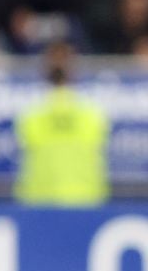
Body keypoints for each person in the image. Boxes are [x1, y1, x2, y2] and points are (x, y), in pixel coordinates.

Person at [15, 44, 111, 206]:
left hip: (39, 203)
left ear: (44, 71)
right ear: (74, 71)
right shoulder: (93, 116)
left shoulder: (30, 116)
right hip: (86, 201)